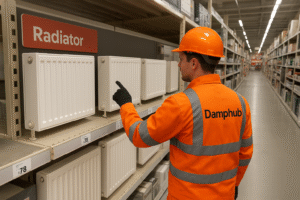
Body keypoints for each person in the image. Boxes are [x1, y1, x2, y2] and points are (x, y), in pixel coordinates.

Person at [113, 27, 253, 200]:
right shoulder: (240, 103)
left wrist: (126, 104)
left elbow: (140, 135)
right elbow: (246, 153)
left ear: (194, 63)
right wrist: (235, 184)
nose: (179, 65)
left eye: (181, 59)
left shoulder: (181, 104)